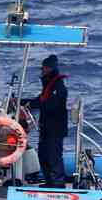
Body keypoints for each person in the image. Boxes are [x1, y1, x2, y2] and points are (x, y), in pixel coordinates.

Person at [21, 54, 69, 188]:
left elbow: (50, 105)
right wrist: (22, 101)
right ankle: (49, 182)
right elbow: (40, 100)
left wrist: (32, 105)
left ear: (50, 68)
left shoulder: (58, 87)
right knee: (43, 155)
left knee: (53, 157)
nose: (41, 71)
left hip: (55, 129)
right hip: (46, 128)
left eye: (44, 68)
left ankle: (58, 185)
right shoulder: (48, 86)